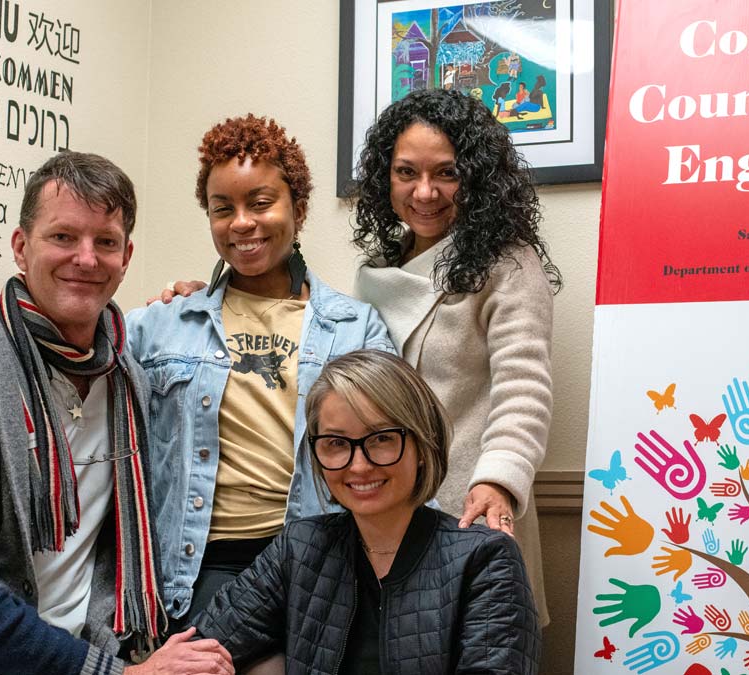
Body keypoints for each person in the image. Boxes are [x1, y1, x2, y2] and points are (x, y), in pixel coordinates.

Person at [0, 151, 232, 675]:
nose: (86, 258)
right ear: (20, 246)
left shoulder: (131, 381)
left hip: (83, 643)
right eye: (62, 237)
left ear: (126, 258)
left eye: (105, 242)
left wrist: (193, 297)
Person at [124, 114, 395, 628]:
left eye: (261, 203)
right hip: (201, 564)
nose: (242, 223)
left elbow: (390, 447)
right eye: (223, 209)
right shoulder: (164, 325)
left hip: (323, 556)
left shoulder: (355, 328)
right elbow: (75, 346)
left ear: (300, 207)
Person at [192, 350, 540, 673]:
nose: (358, 466)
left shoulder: (484, 559)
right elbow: (202, 649)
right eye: (336, 444)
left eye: (381, 439)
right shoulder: (300, 547)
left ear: (423, 444)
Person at [350, 88, 561, 624]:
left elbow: (524, 389)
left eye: (447, 172)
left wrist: (496, 482)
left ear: (477, 177)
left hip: (472, 513)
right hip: (377, 519)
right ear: (384, 179)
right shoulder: (376, 273)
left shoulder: (507, 265)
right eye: (406, 173)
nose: (425, 192)